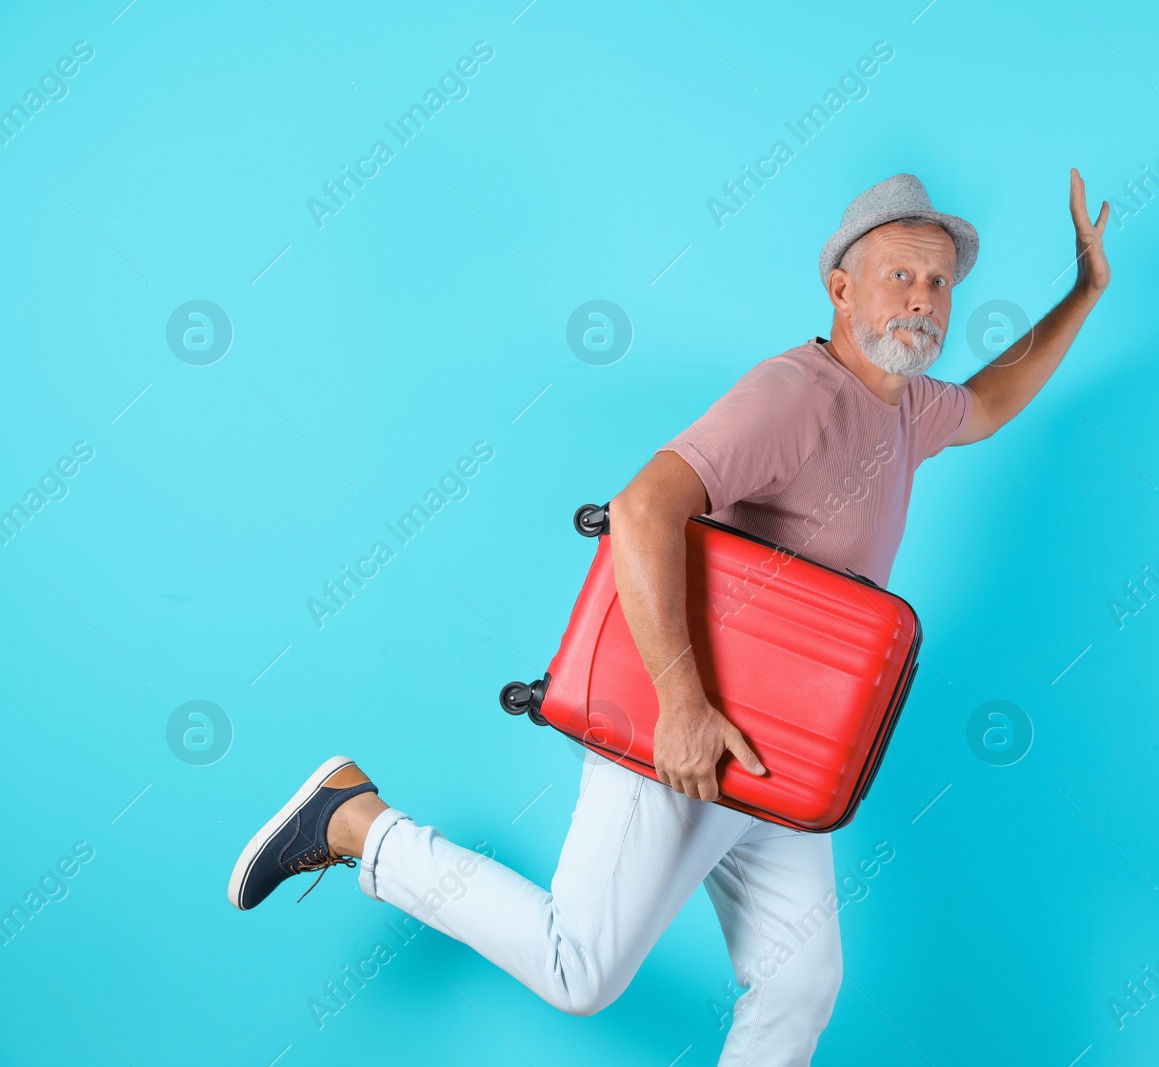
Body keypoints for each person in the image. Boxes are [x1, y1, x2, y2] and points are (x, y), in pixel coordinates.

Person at [227, 170, 1110, 1065]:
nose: (923, 299)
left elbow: (992, 401)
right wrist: (683, 706)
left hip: (781, 751)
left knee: (800, 982)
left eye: (940, 283)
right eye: (900, 276)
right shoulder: (795, 393)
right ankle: (355, 822)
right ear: (841, 288)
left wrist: (1083, 292)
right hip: (687, 730)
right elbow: (644, 506)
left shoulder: (907, 407)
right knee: (580, 969)